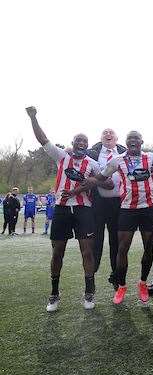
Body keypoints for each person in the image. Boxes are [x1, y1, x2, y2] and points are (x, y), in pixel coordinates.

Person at [26, 106, 105, 312]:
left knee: (87, 251)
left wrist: (93, 181)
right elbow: (43, 140)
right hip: (62, 209)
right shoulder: (62, 156)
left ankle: (89, 291)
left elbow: (109, 184)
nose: (81, 143)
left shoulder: (93, 163)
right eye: (78, 140)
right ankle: (54, 293)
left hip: (84, 210)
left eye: (84, 141)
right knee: (57, 252)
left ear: (87, 146)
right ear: (72, 144)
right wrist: (33, 117)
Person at [89, 130, 153, 305]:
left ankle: (143, 283)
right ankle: (121, 286)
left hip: (149, 209)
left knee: (148, 249)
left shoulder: (150, 158)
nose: (133, 140)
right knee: (122, 249)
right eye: (130, 138)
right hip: (127, 209)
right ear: (126, 142)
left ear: (142, 141)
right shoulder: (117, 160)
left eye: (136, 138)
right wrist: (88, 181)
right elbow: (102, 175)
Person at [87, 129, 127, 289]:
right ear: (101, 138)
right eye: (105, 133)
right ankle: (91, 277)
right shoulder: (93, 153)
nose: (108, 134)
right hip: (98, 203)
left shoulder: (124, 153)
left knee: (116, 242)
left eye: (111, 133)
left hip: (118, 203)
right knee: (95, 241)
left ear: (117, 138)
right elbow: (85, 173)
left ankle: (116, 277)